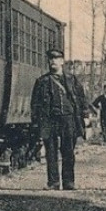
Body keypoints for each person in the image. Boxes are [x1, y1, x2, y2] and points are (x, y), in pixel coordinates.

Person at [30, 49, 87, 190]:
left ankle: (68, 182)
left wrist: (83, 116)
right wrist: (37, 122)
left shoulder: (72, 80)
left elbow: (81, 99)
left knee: (68, 151)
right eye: (51, 59)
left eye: (57, 58)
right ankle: (53, 182)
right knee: (51, 151)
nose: (53, 61)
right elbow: (35, 104)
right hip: (49, 120)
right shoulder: (42, 81)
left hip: (68, 119)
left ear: (62, 62)